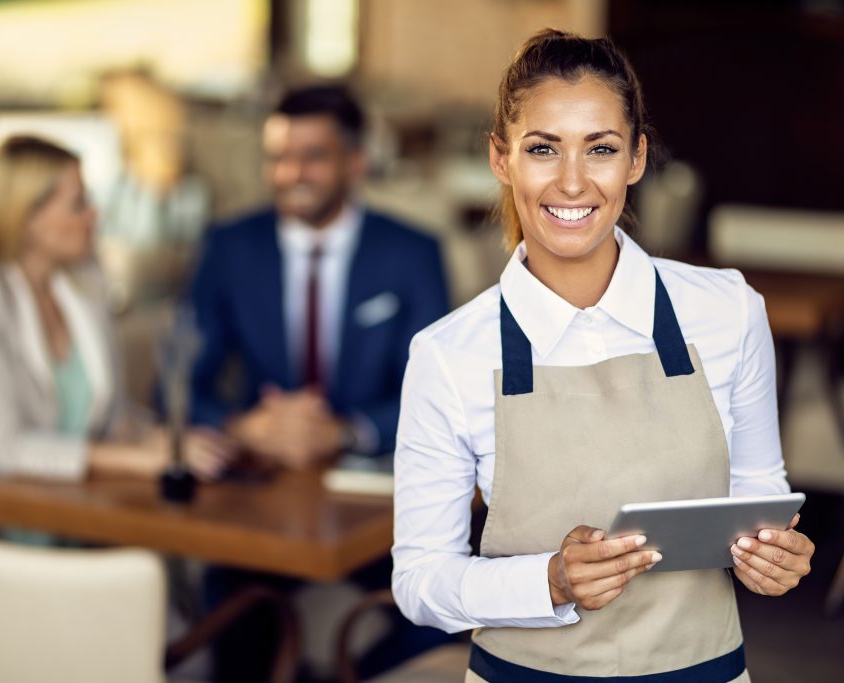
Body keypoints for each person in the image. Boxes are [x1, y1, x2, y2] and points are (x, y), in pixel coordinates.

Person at [391, 29, 815, 682]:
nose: (571, 181)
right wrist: (550, 581)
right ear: (501, 160)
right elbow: (419, 581)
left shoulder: (728, 310)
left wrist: (773, 561)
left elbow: (757, 501)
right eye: (542, 148)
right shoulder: (449, 354)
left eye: (601, 149)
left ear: (637, 158)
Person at [0, 136, 232, 577]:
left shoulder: (82, 285)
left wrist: (164, 441)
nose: (94, 216)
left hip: (61, 513)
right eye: (78, 204)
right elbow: (6, 449)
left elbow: (103, 413)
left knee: (167, 596)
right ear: (27, 217)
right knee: (146, 599)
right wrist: (137, 459)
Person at [185, 84, 450, 469]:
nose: (292, 174)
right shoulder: (228, 247)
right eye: (278, 157)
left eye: (313, 157)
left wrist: (347, 432)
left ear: (355, 161)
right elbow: (177, 387)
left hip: (374, 475)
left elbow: (437, 393)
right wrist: (242, 426)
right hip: (258, 470)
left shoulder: (412, 254)